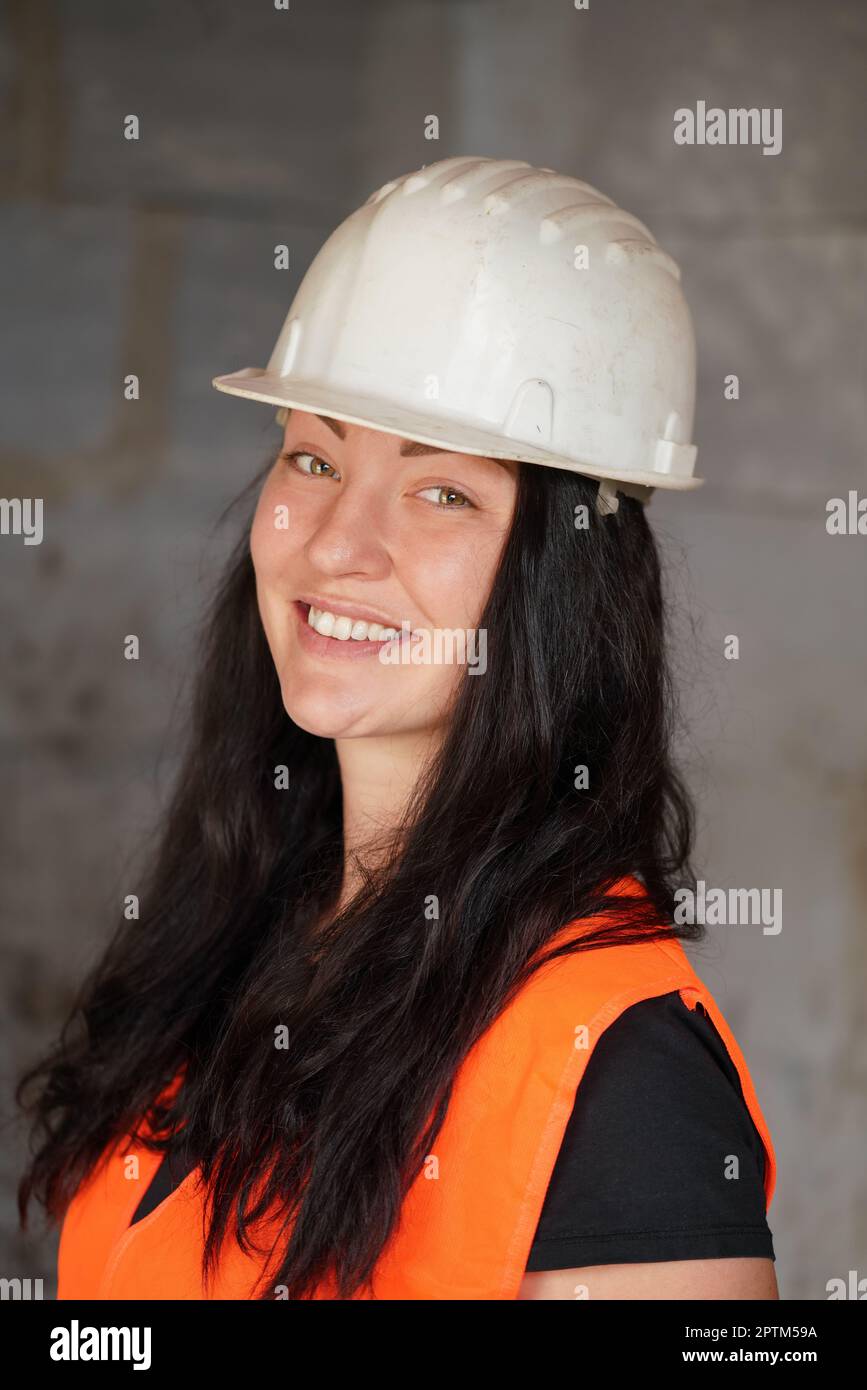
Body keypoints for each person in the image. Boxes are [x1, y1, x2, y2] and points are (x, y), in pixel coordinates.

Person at [17, 156, 777, 1301]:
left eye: (442, 492)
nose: (335, 544)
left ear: (564, 580)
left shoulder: (615, 1069)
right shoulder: (231, 938)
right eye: (314, 458)